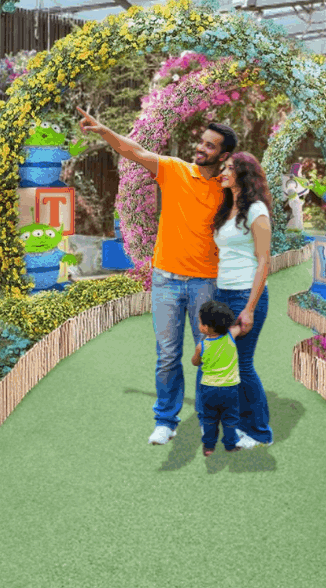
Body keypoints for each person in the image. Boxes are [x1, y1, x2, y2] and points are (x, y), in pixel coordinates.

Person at [76, 105, 237, 445]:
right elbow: (134, 151)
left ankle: (209, 419)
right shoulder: (175, 170)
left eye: (210, 146)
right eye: (202, 141)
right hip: (166, 280)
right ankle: (166, 420)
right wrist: (105, 131)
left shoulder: (228, 189)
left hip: (206, 282)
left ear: (224, 155)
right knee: (167, 356)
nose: (201, 148)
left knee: (208, 354)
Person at [212, 152, 274, 448]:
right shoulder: (227, 208)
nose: (223, 171)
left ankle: (260, 432)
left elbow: (264, 261)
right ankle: (239, 425)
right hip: (223, 293)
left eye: (229, 168)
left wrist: (249, 308)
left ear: (244, 174)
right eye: (223, 167)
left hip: (245, 295)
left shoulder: (256, 210)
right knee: (226, 363)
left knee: (243, 364)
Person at [190, 300, 243, 456]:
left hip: (209, 389)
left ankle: (209, 446)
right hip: (230, 388)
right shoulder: (231, 336)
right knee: (230, 418)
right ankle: (231, 444)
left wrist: (198, 356)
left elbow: (195, 362)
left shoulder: (202, 346)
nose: (199, 324)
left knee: (209, 419)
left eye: (200, 322)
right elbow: (239, 327)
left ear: (206, 328)